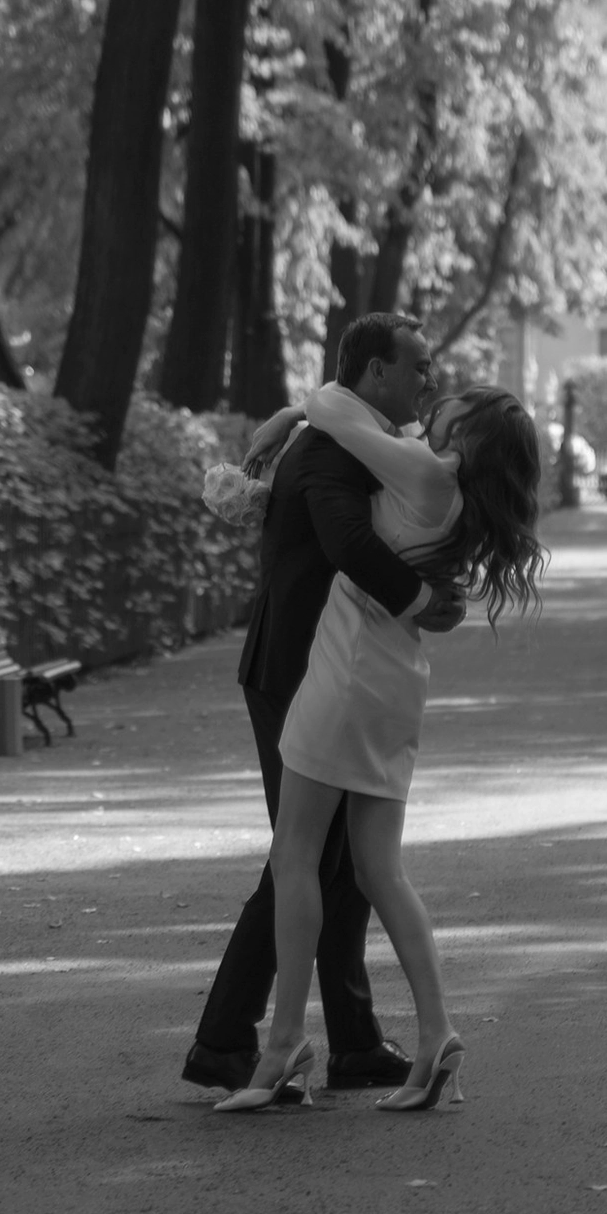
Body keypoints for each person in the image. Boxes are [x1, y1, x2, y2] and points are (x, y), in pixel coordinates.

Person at [215, 378, 545, 1114]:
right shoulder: (451, 489)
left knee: (294, 856)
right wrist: (299, 413)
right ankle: (435, 1037)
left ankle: (284, 1044)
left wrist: (287, 411)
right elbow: (377, 429)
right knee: (378, 871)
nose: (435, 402)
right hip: (395, 677)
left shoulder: (427, 472)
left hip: (348, 671)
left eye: (453, 405)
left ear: (470, 434)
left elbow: (337, 407)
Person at [182, 314, 467, 1096]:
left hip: (321, 668)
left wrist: (292, 410)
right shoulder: (335, 448)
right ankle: (222, 1041)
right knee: (301, 857)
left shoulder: (349, 432)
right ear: (376, 373)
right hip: (297, 672)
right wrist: (424, 602)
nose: (429, 380)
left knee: (331, 860)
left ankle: (352, 1041)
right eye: (418, 366)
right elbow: (348, 543)